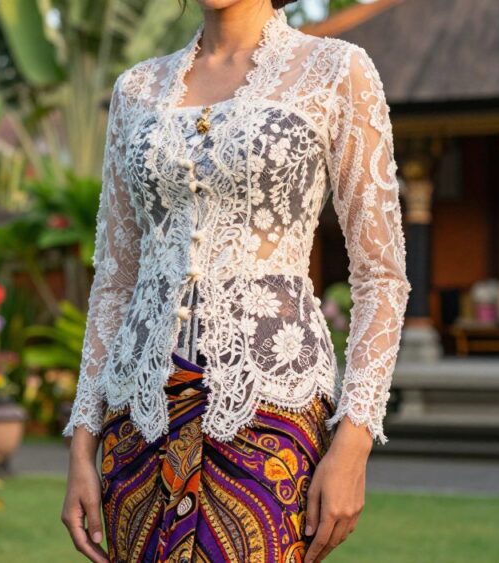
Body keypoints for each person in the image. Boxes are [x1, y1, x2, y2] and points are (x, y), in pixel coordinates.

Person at [60, 2, 411, 562]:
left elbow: (381, 277)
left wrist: (355, 439)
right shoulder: (136, 89)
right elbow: (114, 283)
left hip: (271, 405)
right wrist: (82, 440)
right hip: (136, 418)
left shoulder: (335, 69)